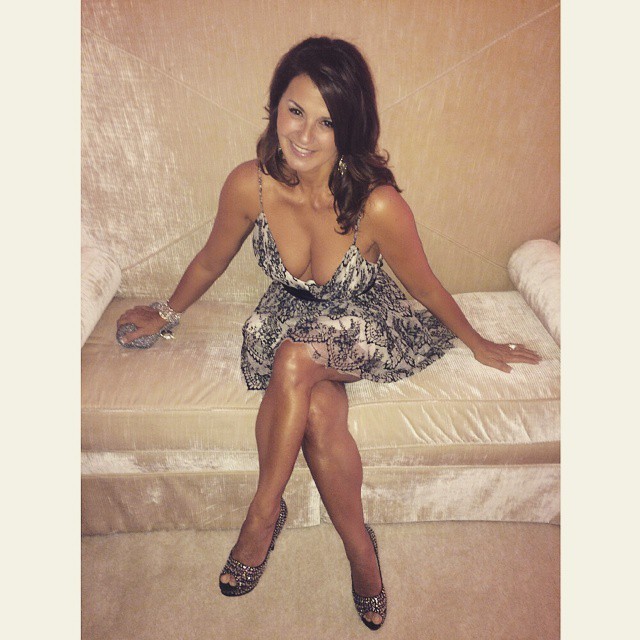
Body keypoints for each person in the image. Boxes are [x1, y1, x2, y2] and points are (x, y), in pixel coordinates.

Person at [117, 36, 540, 630]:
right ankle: (360, 549)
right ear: (275, 106)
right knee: (315, 406)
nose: (305, 135)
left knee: (295, 360)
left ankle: (262, 515)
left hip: (366, 322)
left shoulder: (378, 206)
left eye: (327, 121)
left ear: (350, 127)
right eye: (296, 111)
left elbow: (425, 288)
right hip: (289, 317)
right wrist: (167, 311)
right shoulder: (249, 186)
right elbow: (211, 259)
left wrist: (478, 342)